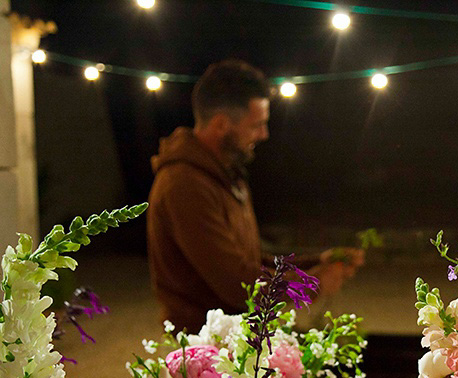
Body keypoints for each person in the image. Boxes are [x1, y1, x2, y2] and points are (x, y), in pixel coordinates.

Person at [147, 59, 362, 331]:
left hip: (233, 340)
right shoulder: (185, 184)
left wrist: (317, 261)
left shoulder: (225, 172)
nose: (264, 134)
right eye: (256, 125)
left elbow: (249, 259)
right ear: (222, 124)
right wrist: (311, 286)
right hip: (202, 349)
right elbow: (238, 284)